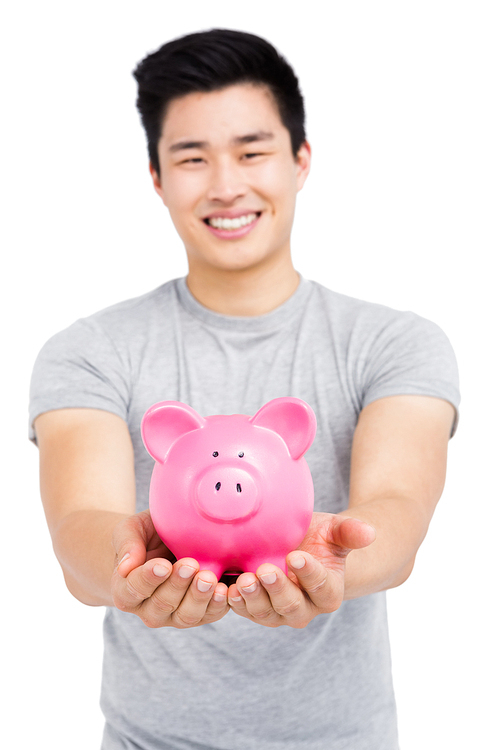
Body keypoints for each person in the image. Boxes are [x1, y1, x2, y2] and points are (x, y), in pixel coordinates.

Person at [29, 29, 460, 750]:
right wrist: (126, 558)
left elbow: (398, 518)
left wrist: (334, 554)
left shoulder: (395, 344)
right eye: (192, 158)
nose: (226, 185)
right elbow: (80, 536)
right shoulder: (90, 351)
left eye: (252, 151)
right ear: (157, 179)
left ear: (301, 161)